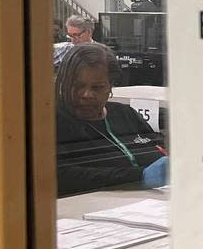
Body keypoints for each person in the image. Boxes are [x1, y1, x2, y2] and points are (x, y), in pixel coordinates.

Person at [55, 42, 168, 196]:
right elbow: (61, 175)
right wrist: (139, 176)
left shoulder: (125, 114)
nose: (86, 94)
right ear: (63, 83)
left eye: (98, 87)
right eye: (78, 86)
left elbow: (158, 148)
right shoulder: (52, 122)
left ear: (111, 86)